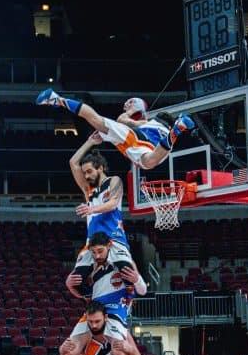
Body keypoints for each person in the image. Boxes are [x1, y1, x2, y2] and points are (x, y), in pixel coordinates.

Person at [36, 90, 195, 170]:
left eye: (130, 103)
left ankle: (57, 99)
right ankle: (176, 132)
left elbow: (121, 120)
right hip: (156, 145)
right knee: (150, 161)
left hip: (137, 139)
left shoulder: (146, 123)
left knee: (95, 119)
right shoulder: (152, 125)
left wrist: (129, 111)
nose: (127, 105)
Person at [63, 230, 147, 350]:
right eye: (93, 252)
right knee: (71, 351)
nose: (97, 256)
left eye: (100, 251)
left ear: (109, 246)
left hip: (117, 309)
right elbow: (82, 295)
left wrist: (137, 279)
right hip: (96, 311)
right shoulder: (86, 265)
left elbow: (143, 291)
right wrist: (69, 285)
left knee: (119, 351)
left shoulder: (123, 261)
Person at [68, 138, 132, 280]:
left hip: (114, 238)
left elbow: (113, 204)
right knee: (77, 280)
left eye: (89, 171)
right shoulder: (88, 189)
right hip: (92, 242)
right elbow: (73, 163)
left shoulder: (114, 181)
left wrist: (91, 209)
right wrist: (90, 142)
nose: (86, 176)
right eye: (84, 173)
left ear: (101, 168)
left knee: (127, 276)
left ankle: (128, 299)